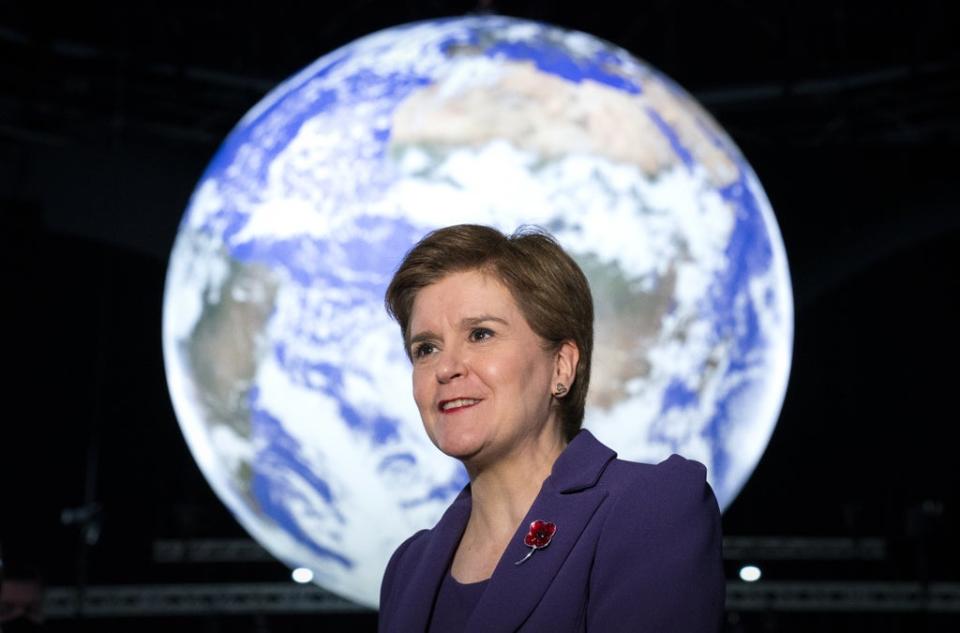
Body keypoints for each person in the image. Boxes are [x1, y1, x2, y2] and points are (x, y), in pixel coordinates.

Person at [378, 224, 724, 632]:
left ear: (561, 366)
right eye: (426, 348)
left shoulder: (650, 509)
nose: (447, 368)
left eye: (481, 334)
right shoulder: (408, 569)